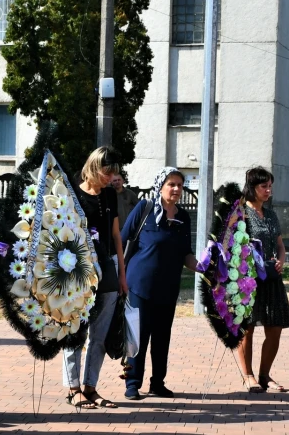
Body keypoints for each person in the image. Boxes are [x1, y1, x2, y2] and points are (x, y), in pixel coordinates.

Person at [120, 167, 201, 400]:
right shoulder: (144, 209)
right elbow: (123, 240)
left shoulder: (183, 217)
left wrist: (204, 267)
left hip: (167, 288)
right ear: (161, 185)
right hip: (139, 286)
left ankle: (158, 383)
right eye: (171, 184)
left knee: (162, 338)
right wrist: (120, 278)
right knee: (137, 336)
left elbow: (186, 254)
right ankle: (132, 384)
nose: (176, 189)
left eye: (179, 185)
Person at [61, 147, 128, 409]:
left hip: (107, 269)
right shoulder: (72, 194)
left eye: (114, 173)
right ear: (93, 166)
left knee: (99, 334)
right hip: (77, 270)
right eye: (107, 172)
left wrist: (122, 273)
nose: (111, 177)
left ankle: (90, 387)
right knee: (75, 331)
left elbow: (115, 236)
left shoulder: (110, 195)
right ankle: (72, 388)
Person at [234, 167, 289, 393]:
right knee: (247, 328)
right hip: (248, 279)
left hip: (272, 279)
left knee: (275, 326)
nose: (268, 191)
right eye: (263, 186)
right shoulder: (241, 213)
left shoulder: (270, 214)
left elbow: (280, 244)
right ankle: (247, 376)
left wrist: (281, 260)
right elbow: (232, 246)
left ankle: (265, 375)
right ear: (251, 187)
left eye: (270, 186)